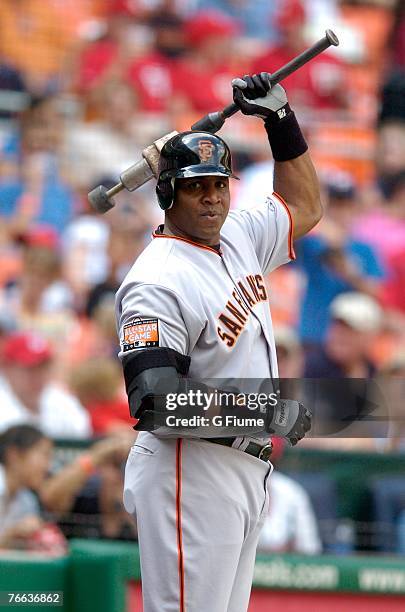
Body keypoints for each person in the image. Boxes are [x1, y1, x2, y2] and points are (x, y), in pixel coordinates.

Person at [116, 72, 321, 611]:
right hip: (190, 466)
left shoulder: (237, 233)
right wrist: (262, 414)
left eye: (218, 184)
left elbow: (306, 207)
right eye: (194, 186)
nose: (211, 199)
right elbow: (155, 403)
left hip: (245, 470)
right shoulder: (155, 278)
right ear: (167, 193)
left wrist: (281, 121)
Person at [0, 331, 91, 439]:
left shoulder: (61, 400)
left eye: (43, 367)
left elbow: (82, 433)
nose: (39, 375)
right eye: (31, 368)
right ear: (7, 369)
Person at [0, 424, 66, 555]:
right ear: (14, 455)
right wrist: (12, 534)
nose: (48, 466)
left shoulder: (27, 500)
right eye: (44, 455)